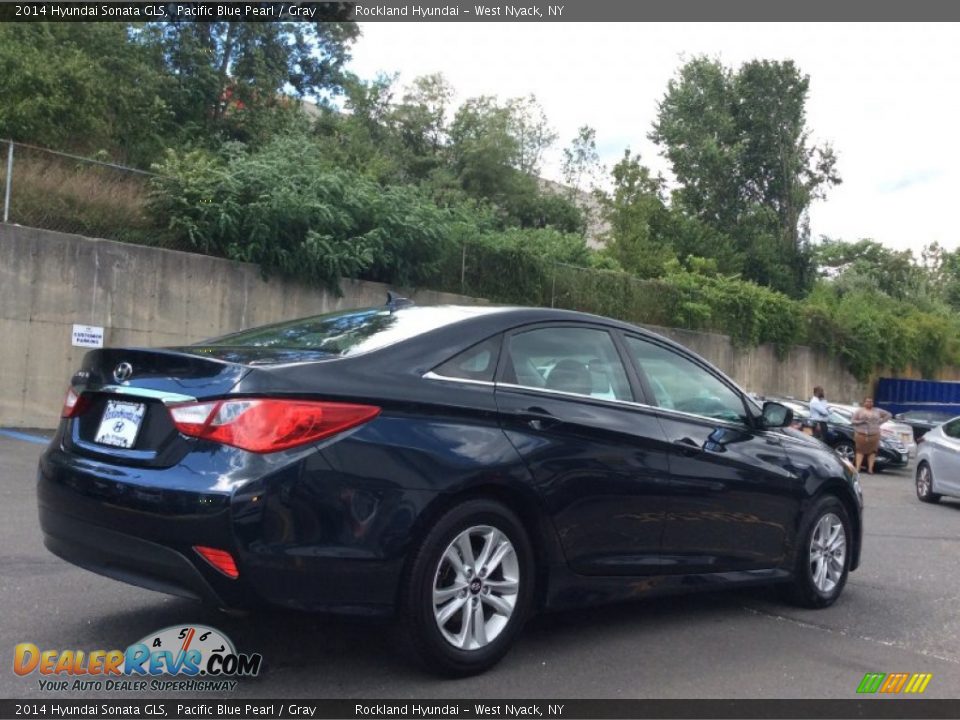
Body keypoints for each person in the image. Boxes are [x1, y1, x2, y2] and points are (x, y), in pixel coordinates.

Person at [851, 397, 892, 474]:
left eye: (871, 401)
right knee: (860, 451)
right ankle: (857, 468)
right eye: (867, 401)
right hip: (861, 434)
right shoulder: (859, 411)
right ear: (864, 402)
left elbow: (889, 414)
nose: (869, 403)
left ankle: (870, 469)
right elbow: (853, 421)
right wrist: (861, 421)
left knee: (872, 452)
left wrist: (880, 422)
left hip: (874, 435)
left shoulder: (877, 410)